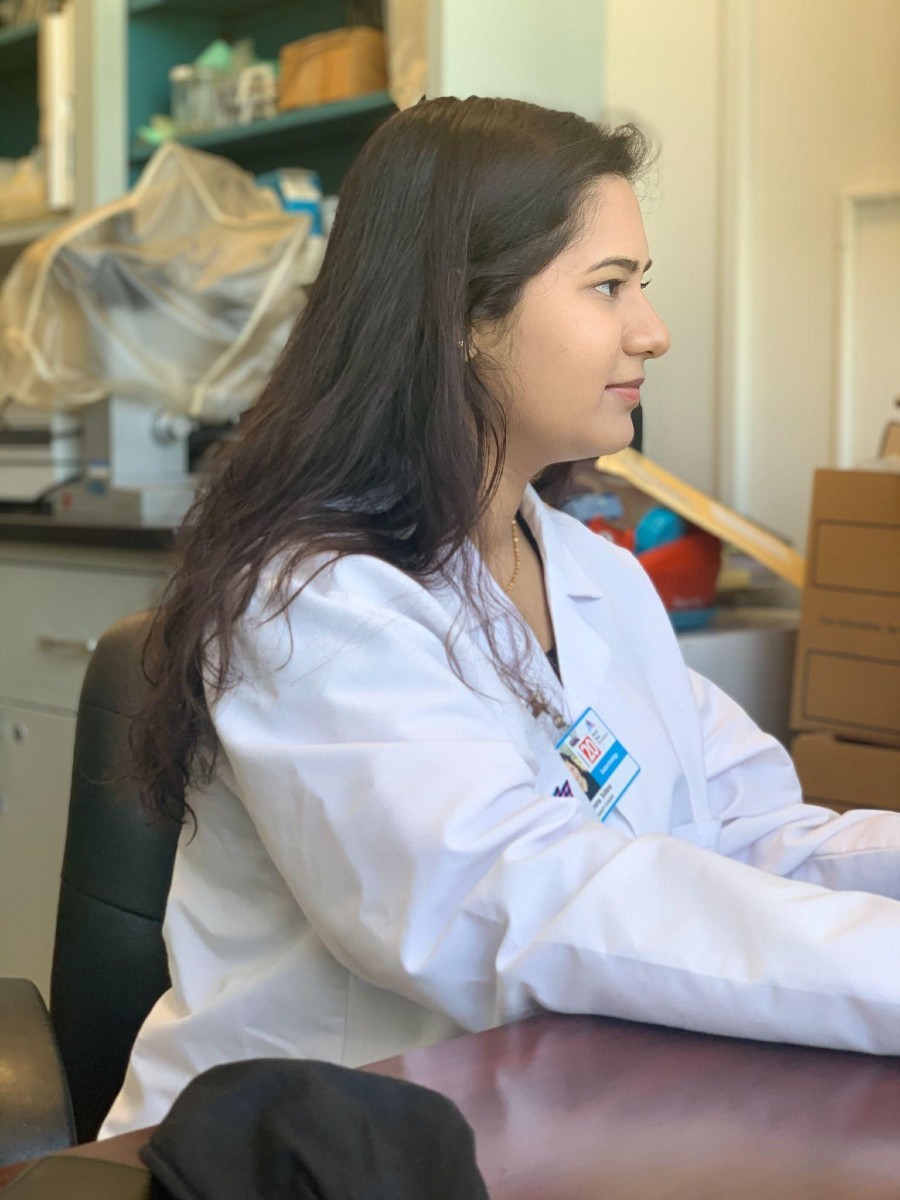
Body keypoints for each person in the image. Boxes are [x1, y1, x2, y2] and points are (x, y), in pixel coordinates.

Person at [102, 96, 900, 1136]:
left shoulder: (590, 574)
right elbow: (505, 902)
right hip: (294, 1152)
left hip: (535, 1122)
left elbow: (737, 828)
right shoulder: (312, 602)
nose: (651, 330)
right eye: (608, 286)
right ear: (462, 320)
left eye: (641, 286)